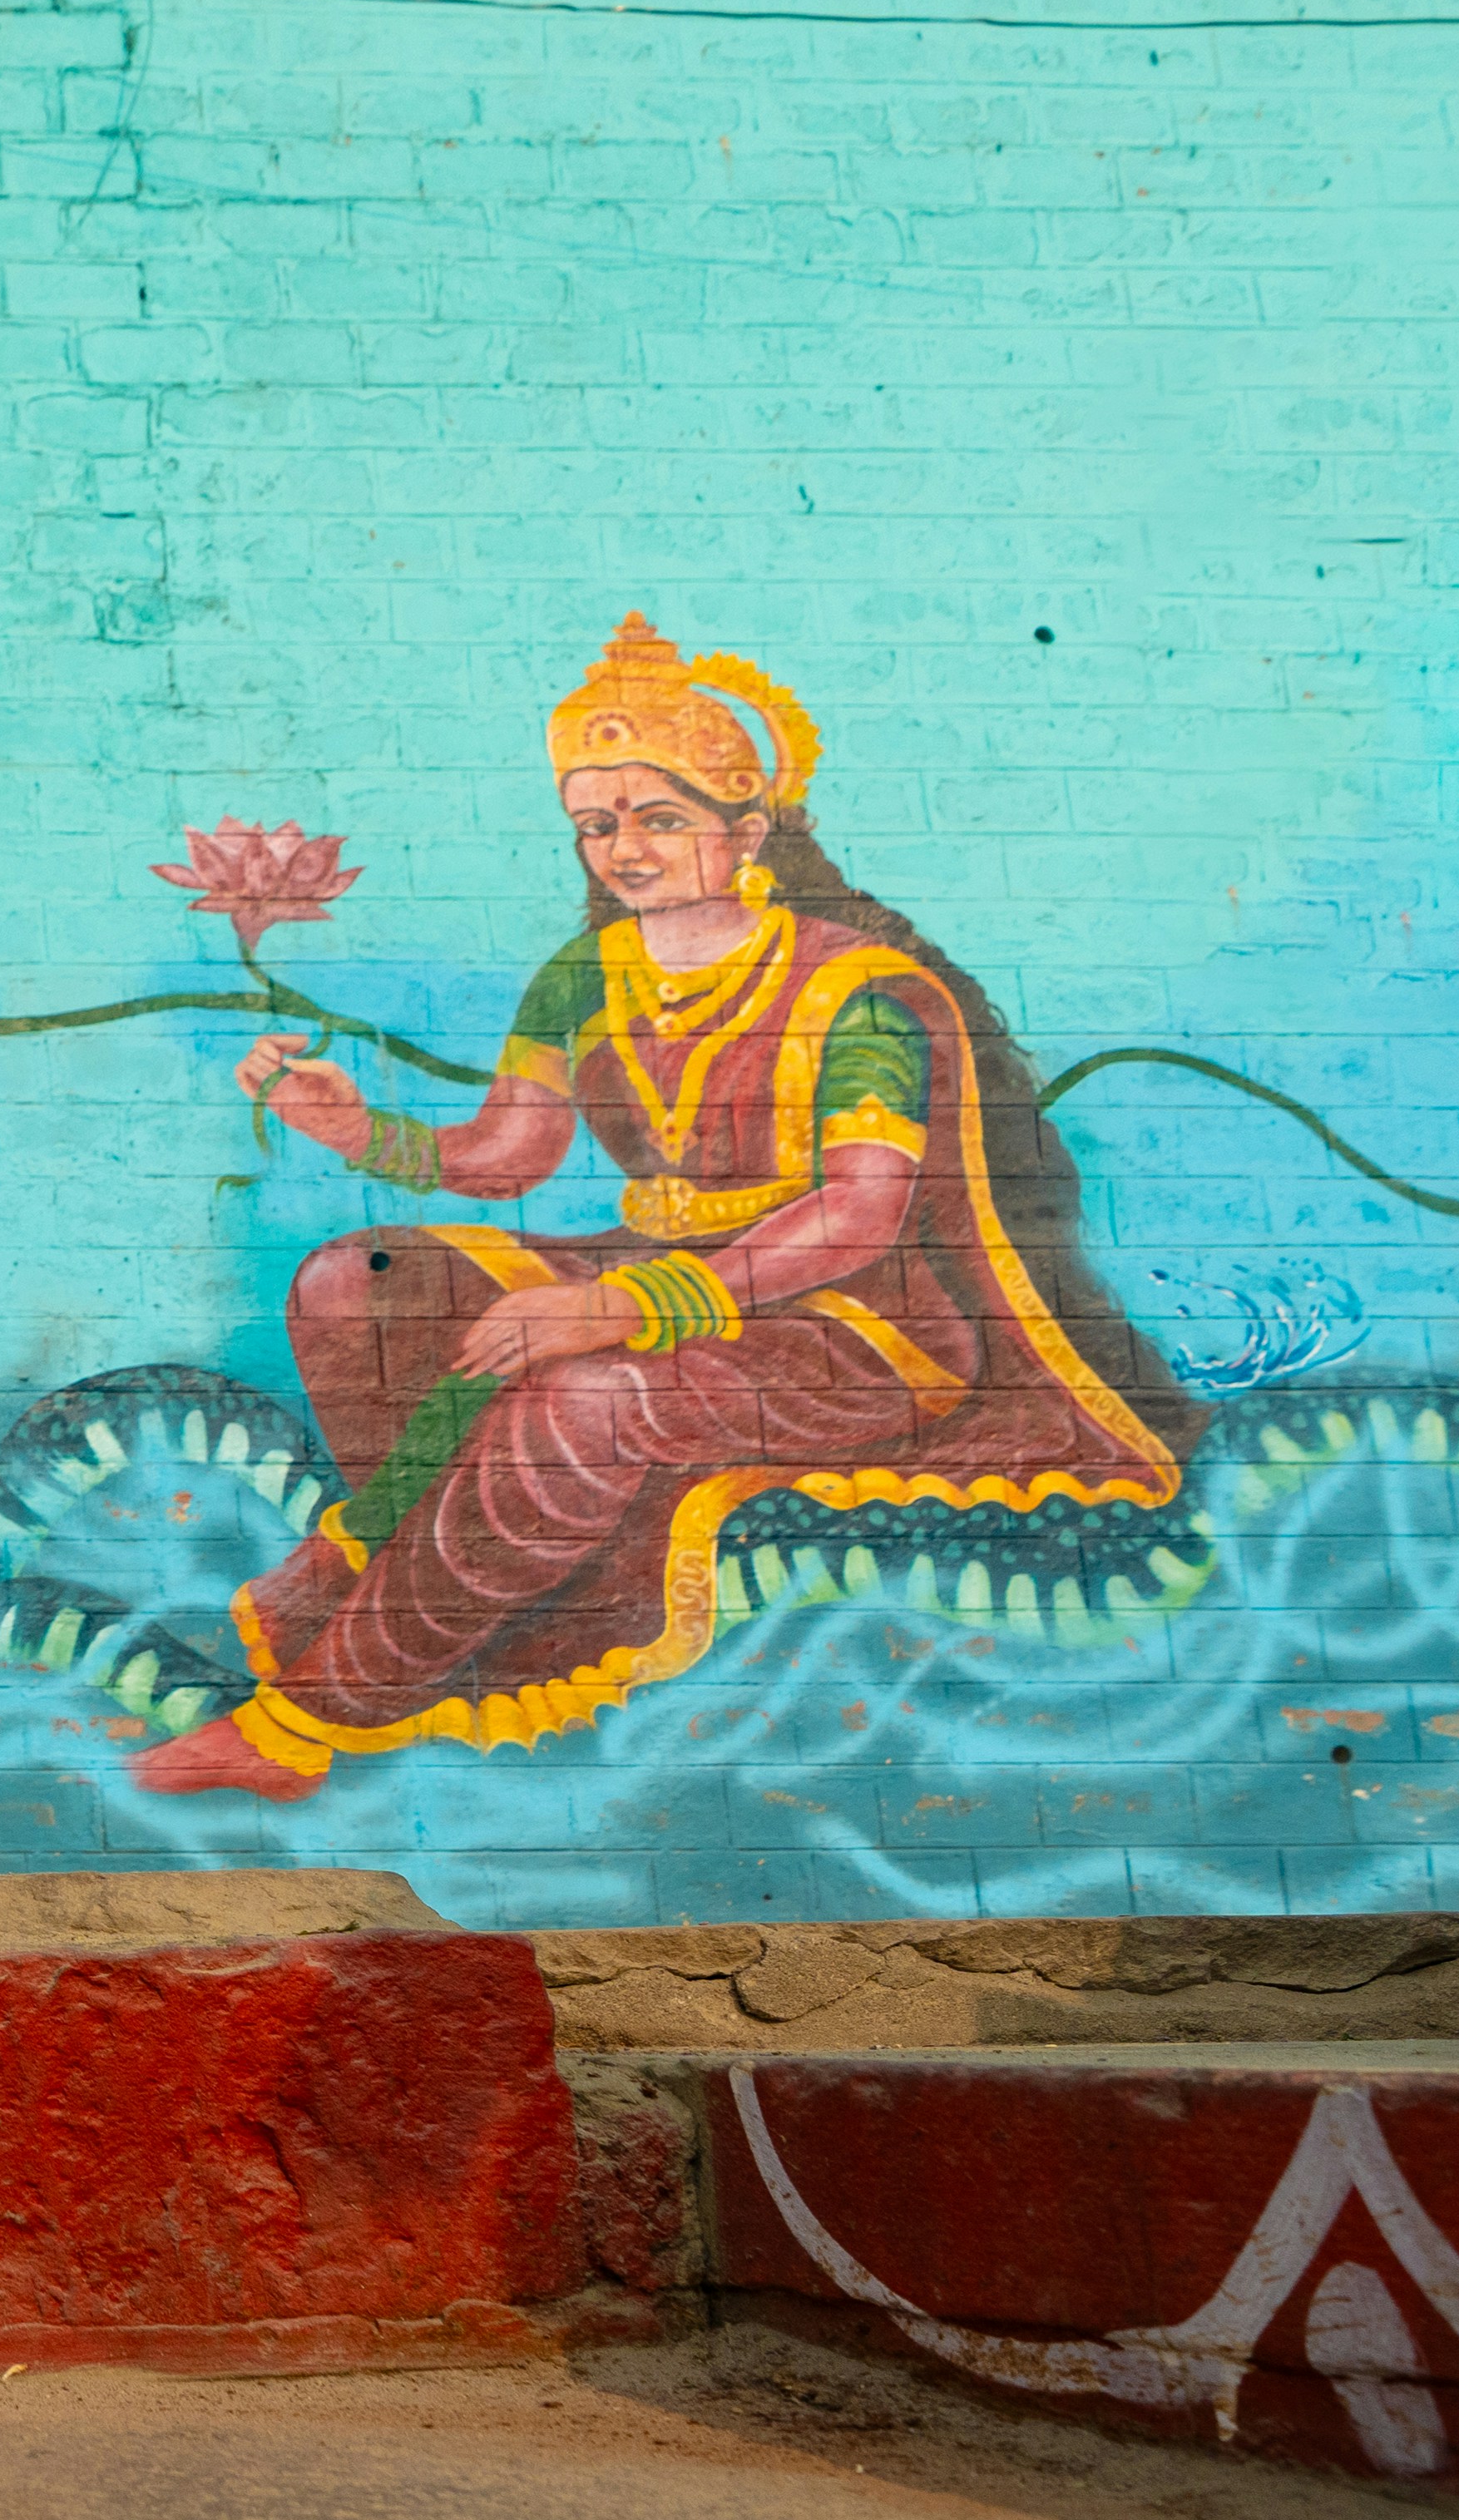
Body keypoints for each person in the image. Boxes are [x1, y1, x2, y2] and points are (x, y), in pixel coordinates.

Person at [136, 615, 1197, 1799]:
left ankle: (319, 1717)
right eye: (597, 824)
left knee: (581, 1399)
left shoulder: (849, 991)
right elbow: (508, 1154)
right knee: (357, 1287)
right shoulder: (587, 972)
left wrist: (624, 1310)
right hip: (650, 1261)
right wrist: (354, 1128)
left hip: (851, 1325)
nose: (623, 850)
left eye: (660, 818)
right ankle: (469, 1595)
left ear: (747, 831)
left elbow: (856, 1218)